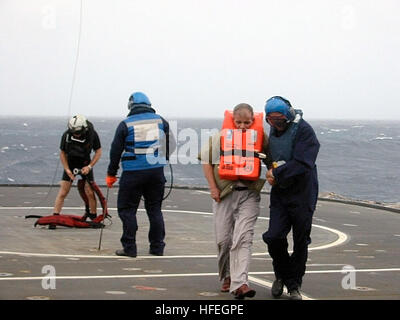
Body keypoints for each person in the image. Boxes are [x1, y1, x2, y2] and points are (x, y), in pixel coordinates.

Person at [199, 103, 270, 299]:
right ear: (232, 120)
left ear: (253, 121)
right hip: (224, 194)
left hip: (249, 194)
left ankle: (241, 283)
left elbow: (271, 159)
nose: (242, 126)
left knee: (243, 238)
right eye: (238, 122)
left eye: (247, 122)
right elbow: (206, 161)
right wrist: (213, 187)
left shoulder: (260, 137)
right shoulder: (220, 136)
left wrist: (274, 170)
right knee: (224, 240)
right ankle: (227, 276)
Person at [262, 96, 320, 300]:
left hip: (303, 192)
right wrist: (268, 168)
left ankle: (294, 285)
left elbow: (303, 162)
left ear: (288, 116)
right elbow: (271, 155)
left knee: (300, 240)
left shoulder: (304, 131)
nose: (275, 125)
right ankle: (282, 274)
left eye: (279, 121)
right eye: (271, 121)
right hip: (281, 192)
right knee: (273, 236)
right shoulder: (273, 130)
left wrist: (276, 174)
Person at [106, 92, 176, 258]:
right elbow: (171, 144)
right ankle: (157, 248)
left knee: (127, 210)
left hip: (132, 174)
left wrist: (111, 174)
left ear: (131, 106)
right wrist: (162, 158)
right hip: (155, 173)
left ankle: (130, 248)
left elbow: (115, 151)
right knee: (154, 210)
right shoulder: (161, 121)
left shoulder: (125, 124)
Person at [53, 114, 102, 220]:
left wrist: (89, 166)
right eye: (74, 133)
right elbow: (62, 153)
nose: (76, 135)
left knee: (89, 191)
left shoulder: (92, 135)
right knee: (63, 191)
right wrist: (67, 169)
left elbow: (98, 151)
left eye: (78, 133)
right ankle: (55, 216)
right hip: (70, 163)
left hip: (85, 163)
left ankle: (93, 215)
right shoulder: (66, 136)